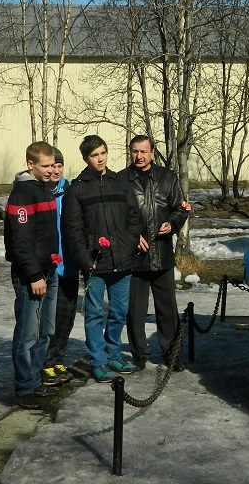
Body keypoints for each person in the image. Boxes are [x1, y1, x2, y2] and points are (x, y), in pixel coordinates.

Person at [63, 135, 148, 383]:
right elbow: (73, 229)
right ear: (85, 158)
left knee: (119, 312)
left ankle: (113, 354)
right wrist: (84, 259)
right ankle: (98, 361)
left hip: (122, 261)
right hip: (95, 263)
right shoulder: (77, 189)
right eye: (94, 155)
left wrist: (129, 243)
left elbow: (134, 217)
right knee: (94, 314)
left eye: (103, 153)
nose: (100, 159)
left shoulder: (120, 183)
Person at [122, 135, 189, 372]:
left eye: (143, 151)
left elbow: (181, 208)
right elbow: (116, 217)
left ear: (152, 152)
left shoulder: (167, 177)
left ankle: (172, 354)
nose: (139, 156)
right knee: (135, 310)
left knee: (167, 309)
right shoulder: (121, 180)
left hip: (162, 254)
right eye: (134, 151)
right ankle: (139, 354)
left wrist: (172, 223)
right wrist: (131, 237)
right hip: (134, 258)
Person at [4, 141, 61, 410]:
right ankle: (24, 386)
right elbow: (21, 240)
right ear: (30, 165)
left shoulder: (43, 189)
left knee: (46, 331)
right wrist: (34, 275)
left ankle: (35, 379)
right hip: (32, 276)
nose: (51, 170)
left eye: (53, 165)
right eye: (45, 166)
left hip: (49, 271)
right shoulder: (23, 193)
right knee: (27, 333)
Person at [43, 147, 77, 384]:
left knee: (66, 317)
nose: (56, 171)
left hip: (69, 264)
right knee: (48, 319)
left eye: (59, 166)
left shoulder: (70, 191)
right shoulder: (39, 191)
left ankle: (58, 359)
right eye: (51, 166)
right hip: (48, 267)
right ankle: (45, 362)